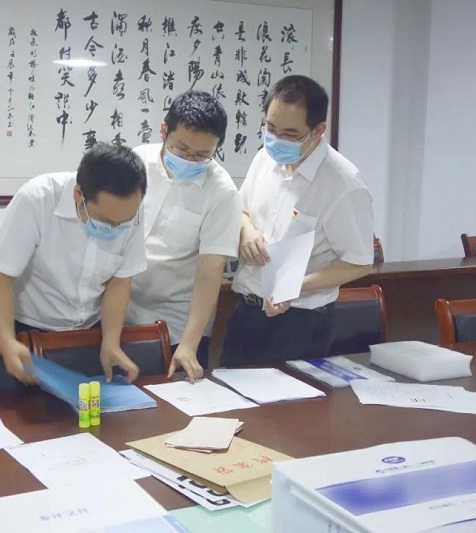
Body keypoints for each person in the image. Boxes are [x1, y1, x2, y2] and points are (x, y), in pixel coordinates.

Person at [221, 74, 374, 366]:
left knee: (286, 397)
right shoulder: (265, 159)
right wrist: (247, 231)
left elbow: (359, 262)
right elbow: (241, 211)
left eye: (290, 134)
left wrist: (293, 286)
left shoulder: (344, 185)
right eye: (270, 128)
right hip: (247, 311)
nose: (277, 140)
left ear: (318, 130)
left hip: (300, 321)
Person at [0, 143, 147, 385]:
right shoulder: (37, 199)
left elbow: (120, 281)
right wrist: (7, 339)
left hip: (90, 332)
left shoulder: (129, 211)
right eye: (105, 221)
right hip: (28, 331)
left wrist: (111, 340)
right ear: (78, 194)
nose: (115, 228)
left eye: (123, 223)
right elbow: (1, 276)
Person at [126, 90, 240, 382]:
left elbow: (210, 271)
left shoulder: (222, 191)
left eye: (202, 155)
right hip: (121, 309)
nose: (190, 160)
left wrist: (189, 344)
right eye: (181, 149)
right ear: (164, 131)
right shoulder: (136, 162)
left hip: (177, 321)